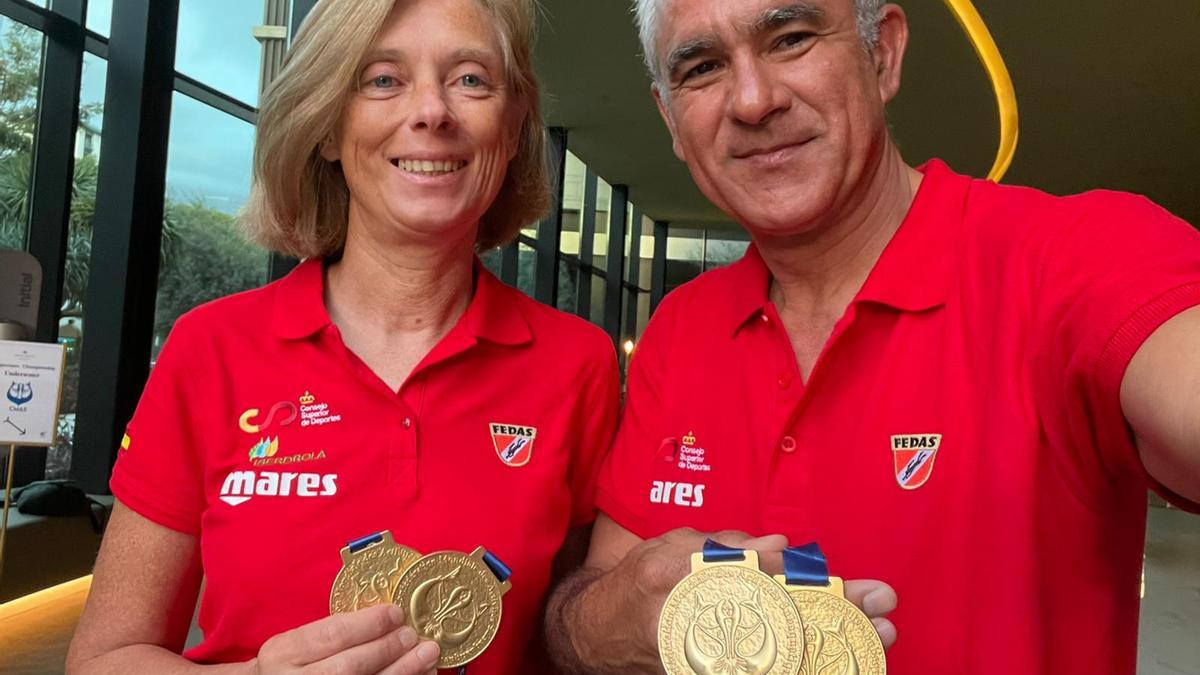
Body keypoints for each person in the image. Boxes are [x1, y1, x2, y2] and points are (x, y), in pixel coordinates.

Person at [545, 0, 1200, 673]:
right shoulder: (679, 329)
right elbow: (594, 609)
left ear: (882, 53)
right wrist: (611, 620)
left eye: (791, 38)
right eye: (704, 67)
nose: (751, 99)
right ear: (670, 122)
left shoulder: (1071, 260)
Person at [66, 0, 619, 673]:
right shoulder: (210, 348)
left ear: (513, 123)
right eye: (382, 79)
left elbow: (572, 640)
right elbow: (103, 658)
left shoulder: (577, 364)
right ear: (329, 126)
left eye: (471, 79)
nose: (432, 111)